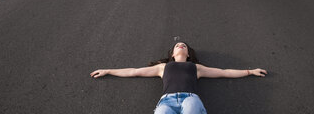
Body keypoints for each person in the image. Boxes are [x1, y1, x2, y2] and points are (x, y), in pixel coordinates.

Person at [90, 42, 268, 114]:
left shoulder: (196, 68)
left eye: (183, 45)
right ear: (173, 54)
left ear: (188, 54)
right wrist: (108, 70)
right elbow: (134, 71)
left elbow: (224, 72)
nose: (180, 45)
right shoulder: (162, 67)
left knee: (191, 108)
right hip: (166, 102)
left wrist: (249, 71)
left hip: (190, 99)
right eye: (177, 45)